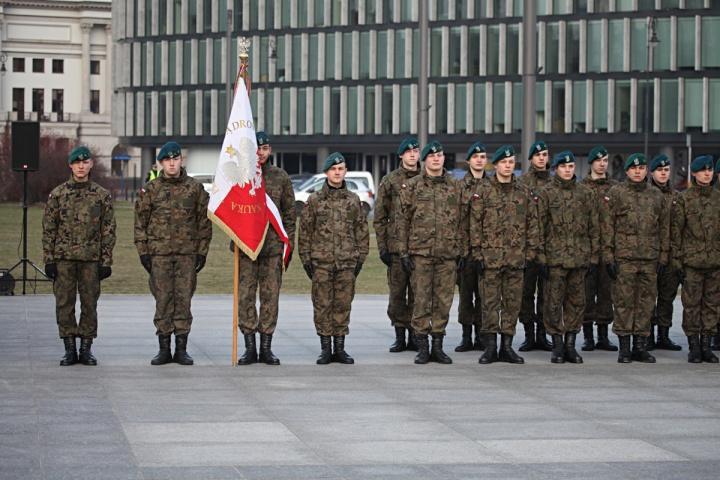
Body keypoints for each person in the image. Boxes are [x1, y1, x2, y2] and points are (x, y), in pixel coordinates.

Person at [134, 141, 212, 366]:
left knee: (183, 300)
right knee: (163, 300)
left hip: (187, 254)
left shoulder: (195, 189)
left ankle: (181, 349)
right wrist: (143, 252)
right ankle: (164, 348)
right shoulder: (151, 189)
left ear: (181, 160)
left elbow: (204, 223)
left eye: (175, 159)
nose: (171, 163)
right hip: (159, 255)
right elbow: (140, 222)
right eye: (167, 160)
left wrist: (202, 252)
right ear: (161, 163)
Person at [42, 146, 116, 366]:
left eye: (85, 162)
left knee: (89, 304)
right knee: (64, 303)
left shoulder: (101, 195)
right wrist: (49, 260)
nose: (81, 166)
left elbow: (108, 229)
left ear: (91, 164)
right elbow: (49, 229)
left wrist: (106, 261)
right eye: (77, 163)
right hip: (63, 259)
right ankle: (69, 349)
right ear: (71, 166)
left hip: (91, 260)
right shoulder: (58, 194)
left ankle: (86, 348)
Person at [471, 145, 540, 365]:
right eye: (504, 163)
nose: (508, 166)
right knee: (490, 303)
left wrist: (529, 254)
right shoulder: (483, 191)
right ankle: (490, 347)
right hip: (490, 259)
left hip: (515, 258)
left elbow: (533, 224)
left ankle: (507, 346)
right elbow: (474, 224)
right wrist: (477, 253)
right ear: (497, 165)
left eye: (511, 163)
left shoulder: (523, 192)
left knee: (512, 304)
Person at [397, 140, 464, 364]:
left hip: (448, 254)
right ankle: (423, 346)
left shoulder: (455, 186)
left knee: (443, 301)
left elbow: (464, 221)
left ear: (444, 158)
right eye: (432, 156)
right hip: (421, 253)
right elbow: (403, 221)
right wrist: (404, 252)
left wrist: (462, 250)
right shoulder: (413, 186)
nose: (436, 159)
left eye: (440, 155)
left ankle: (438, 345)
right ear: (425, 160)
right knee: (421, 300)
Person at [298, 153, 369, 365]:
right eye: (333, 169)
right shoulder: (315, 200)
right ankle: (325, 349)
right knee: (322, 305)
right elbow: (305, 233)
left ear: (345, 171)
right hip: (321, 262)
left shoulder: (353, 200)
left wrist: (360, 258)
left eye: (341, 169)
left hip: (347, 262)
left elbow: (362, 232)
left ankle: (340, 347)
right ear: (326, 172)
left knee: (343, 304)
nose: (337, 172)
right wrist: (306, 260)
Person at [601, 153, 670, 363]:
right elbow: (607, 226)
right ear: (628, 171)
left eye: (642, 168)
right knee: (623, 302)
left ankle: (640, 346)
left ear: (646, 171)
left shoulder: (656, 196)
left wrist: (663, 257)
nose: (638, 172)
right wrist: (608, 256)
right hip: (625, 258)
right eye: (634, 168)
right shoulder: (617, 193)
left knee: (646, 303)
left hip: (650, 258)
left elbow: (664, 228)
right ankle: (624, 347)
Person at [234, 132, 296, 365]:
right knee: (246, 297)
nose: (261, 153)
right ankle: (249, 348)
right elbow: (233, 210)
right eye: (257, 149)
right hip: (247, 247)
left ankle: (266, 347)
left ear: (270, 151)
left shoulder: (280, 177)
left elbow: (290, 214)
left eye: (265, 148)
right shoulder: (242, 175)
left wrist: (288, 243)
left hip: (272, 248)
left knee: (270, 298)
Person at [537, 151, 599, 364]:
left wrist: (593, 256)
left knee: (577, 302)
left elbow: (594, 227)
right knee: (553, 303)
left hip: (579, 257)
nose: (567, 170)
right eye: (563, 167)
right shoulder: (546, 193)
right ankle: (557, 345)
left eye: (571, 166)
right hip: (555, 259)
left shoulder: (585, 193)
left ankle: (571, 344)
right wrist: (541, 258)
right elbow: (539, 227)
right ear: (556, 168)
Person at [671, 155, 720, 363]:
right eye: (702, 171)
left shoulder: (718, 198)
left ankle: (706, 345)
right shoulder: (684, 198)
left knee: (711, 305)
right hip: (692, 262)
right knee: (691, 305)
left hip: (715, 261)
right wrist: (677, 261)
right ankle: (693, 346)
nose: (707, 173)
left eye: (709, 170)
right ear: (694, 173)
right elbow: (676, 232)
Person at [374, 136, 421, 353]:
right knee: (397, 293)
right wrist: (383, 246)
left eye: (416, 151)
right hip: (395, 248)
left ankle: (415, 333)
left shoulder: (425, 178)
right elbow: (380, 216)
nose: (413, 155)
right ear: (401, 155)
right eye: (408, 152)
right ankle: (400, 335)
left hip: (421, 246)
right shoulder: (390, 180)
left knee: (418, 293)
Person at [580, 146, 619, 352]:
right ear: (591, 163)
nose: (602, 163)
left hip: (609, 250)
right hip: (587, 251)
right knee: (586, 293)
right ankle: (588, 337)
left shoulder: (615, 189)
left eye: (605, 160)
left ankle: (603, 335)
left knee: (606, 293)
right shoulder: (582, 189)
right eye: (599, 160)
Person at [517, 140, 553, 352]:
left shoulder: (554, 182)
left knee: (547, 294)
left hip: (550, 248)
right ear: (531, 158)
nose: (541, 158)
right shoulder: (522, 183)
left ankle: (543, 334)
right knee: (526, 293)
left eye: (545, 154)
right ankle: (529, 335)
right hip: (527, 248)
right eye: (538, 155)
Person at [455, 141, 489, 352]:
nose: (479, 160)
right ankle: (467, 336)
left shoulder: (493, 187)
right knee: (466, 296)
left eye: (483, 157)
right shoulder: (458, 188)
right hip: (465, 252)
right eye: (475, 157)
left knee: (485, 296)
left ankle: (483, 335)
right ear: (468, 161)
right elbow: (455, 220)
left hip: (487, 251)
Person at [647, 154, 682, 351]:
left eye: (666, 170)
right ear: (652, 173)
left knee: (667, 298)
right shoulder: (647, 195)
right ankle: (649, 335)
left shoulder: (677, 197)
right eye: (660, 170)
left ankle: (664, 334)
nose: (663, 173)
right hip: (651, 255)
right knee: (649, 297)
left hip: (671, 256)